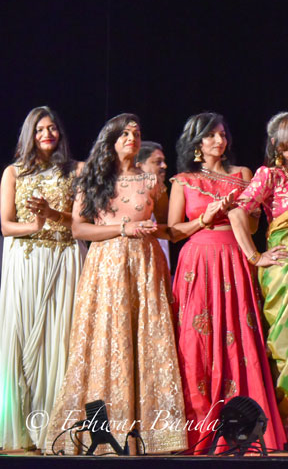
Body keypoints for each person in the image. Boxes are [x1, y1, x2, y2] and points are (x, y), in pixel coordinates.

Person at [46, 114, 187, 454]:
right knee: (109, 341)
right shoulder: (93, 178)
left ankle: (153, 435)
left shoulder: (151, 180)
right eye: (124, 133)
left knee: (145, 342)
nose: (132, 138)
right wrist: (123, 229)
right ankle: (104, 432)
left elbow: (168, 228)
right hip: (106, 268)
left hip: (145, 266)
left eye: (136, 133)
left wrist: (205, 221)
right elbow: (79, 228)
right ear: (110, 140)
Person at [168, 112, 285, 453]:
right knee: (196, 341)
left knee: (239, 336)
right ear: (196, 142)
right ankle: (199, 429)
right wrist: (205, 218)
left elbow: (253, 227)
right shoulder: (183, 180)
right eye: (211, 135)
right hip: (198, 262)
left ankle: (244, 427)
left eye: (222, 134)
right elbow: (173, 232)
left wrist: (244, 213)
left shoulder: (243, 174)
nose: (219, 140)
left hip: (235, 257)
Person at [228, 112, 288, 451]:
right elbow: (237, 212)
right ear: (277, 143)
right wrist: (255, 257)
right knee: (287, 346)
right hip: (284, 273)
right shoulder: (269, 175)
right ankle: (286, 419)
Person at [0, 107, 83, 450]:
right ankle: (20, 431)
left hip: (63, 258)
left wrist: (51, 215)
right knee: (21, 340)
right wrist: (34, 224)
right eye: (39, 130)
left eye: (52, 128)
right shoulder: (13, 173)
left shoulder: (76, 170)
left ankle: (54, 429)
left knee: (59, 340)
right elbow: (6, 225)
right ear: (29, 135)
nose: (46, 134)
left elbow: (81, 221)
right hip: (25, 259)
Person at [137, 141, 171, 267]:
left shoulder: (161, 191)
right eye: (158, 162)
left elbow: (169, 228)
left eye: (164, 161)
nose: (164, 166)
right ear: (139, 166)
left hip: (159, 260)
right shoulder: (123, 195)